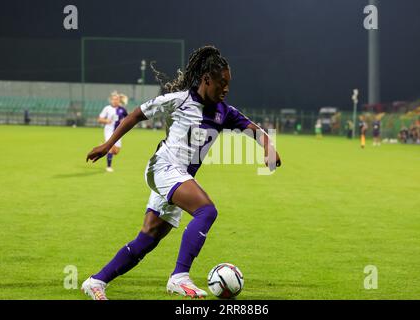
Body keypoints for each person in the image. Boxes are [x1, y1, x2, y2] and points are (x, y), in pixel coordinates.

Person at [81, 45, 281, 300]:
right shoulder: (179, 101)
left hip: (180, 178)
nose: (226, 88)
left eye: (229, 83)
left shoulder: (224, 112)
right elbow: (135, 115)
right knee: (207, 210)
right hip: (163, 167)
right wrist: (108, 144)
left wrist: (269, 147)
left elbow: (254, 129)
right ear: (207, 79)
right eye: (222, 82)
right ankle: (180, 277)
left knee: (148, 238)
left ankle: (96, 281)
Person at [97, 91, 128, 172]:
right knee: (110, 146)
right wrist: (106, 121)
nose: (115, 101)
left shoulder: (122, 110)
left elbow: (127, 119)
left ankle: (103, 146)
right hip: (109, 130)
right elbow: (99, 119)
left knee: (116, 151)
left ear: (119, 100)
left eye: (117, 99)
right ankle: (108, 166)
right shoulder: (107, 108)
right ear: (111, 100)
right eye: (113, 99)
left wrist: (123, 121)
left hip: (118, 131)